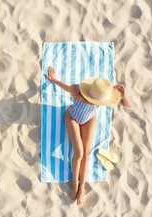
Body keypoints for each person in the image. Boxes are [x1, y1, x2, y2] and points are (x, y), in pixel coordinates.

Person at [47, 66, 132, 205]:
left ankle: (82, 187)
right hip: (73, 117)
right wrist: (54, 79)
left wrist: (124, 95)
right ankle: (75, 182)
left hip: (89, 118)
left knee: (87, 152)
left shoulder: (106, 93)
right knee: (79, 152)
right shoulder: (78, 90)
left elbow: (128, 105)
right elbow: (65, 87)